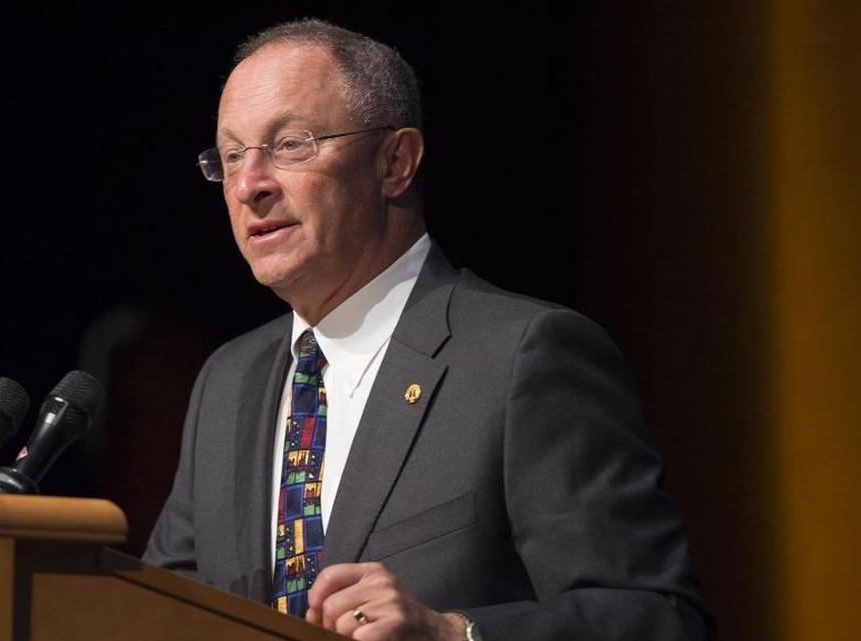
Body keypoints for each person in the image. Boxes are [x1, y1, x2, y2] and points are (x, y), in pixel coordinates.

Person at [144, 18, 713, 641]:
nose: (250, 185)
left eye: (290, 144)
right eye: (231, 156)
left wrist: (452, 633)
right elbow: (156, 610)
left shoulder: (523, 356)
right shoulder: (228, 381)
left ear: (396, 162)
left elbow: (660, 618)